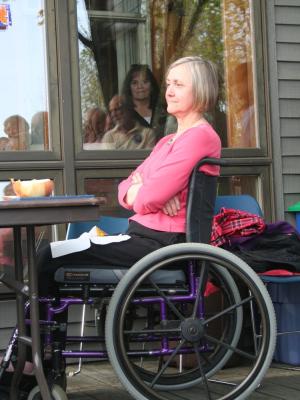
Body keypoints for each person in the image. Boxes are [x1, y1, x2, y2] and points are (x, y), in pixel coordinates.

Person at [37, 55, 221, 297]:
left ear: (200, 90)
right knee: (53, 252)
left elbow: (147, 199)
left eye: (179, 84)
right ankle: (46, 333)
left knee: (51, 255)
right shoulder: (167, 141)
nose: (169, 91)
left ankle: (44, 335)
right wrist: (148, 191)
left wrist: (148, 191)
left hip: (163, 243)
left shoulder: (200, 137)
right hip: (142, 236)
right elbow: (124, 188)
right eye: (168, 84)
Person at [122, 64, 160, 129]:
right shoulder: (123, 114)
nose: (140, 87)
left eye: (145, 82)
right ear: (129, 87)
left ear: (152, 86)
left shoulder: (162, 110)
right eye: (135, 83)